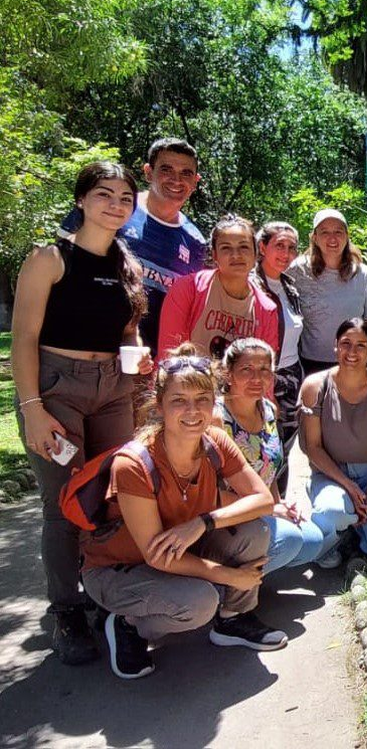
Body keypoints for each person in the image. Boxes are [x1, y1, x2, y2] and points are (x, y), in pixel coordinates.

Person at [12, 161, 153, 665]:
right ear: (81, 200)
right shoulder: (49, 259)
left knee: (113, 495)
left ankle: (105, 601)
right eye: (103, 194)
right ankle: (66, 612)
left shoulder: (126, 265)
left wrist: (140, 381)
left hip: (113, 388)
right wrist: (32, 410)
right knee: (64, 503)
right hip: (56, 387)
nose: (115, 205)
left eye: (124, 197)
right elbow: (24, 340)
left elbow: (129, 334)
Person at [81, 346, 287, 680]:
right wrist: (229, 576)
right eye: (179, 400)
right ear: (159, 406)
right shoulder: (133, 464)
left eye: (202, 398)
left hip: (180, 546)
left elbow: (262, 500)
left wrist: (203, 522)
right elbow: (157, 556)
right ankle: (128, 623)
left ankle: (234, 620)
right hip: (119, 569)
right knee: (199, 602)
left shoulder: (215, 441)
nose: (193, 411)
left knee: (254, 532)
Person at [62, 137, 206, 348]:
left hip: (152, 360)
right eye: (166, 169)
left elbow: (188, 307)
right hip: (88, 348)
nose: (176, 180)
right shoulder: (113, 207)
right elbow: (61, 264)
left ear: (195, 181)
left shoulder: (196, 241)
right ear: (148, 172)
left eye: (186, 173)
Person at [300, 318, 367, 566]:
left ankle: (352, 529)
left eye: (361, 345)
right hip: (332, 474)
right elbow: (313, 447)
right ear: (335, 347)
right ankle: (334, 517)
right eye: (346, 343)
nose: (352, 352)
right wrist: (348, 485)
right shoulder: (315, 387)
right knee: (333, 512)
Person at [215, 338, 326, 574]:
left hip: (260, 509)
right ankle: (226, 588)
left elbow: (268, 466)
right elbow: (209, 491)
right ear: (229, 374)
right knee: (289, 540)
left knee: (313, 541)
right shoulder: (216, 418)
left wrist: (277, 503)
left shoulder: (268, 409)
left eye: (264, 369)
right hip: (223, 517)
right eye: (247, 369)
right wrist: (268, 509)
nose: (257, 378)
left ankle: (254, 580)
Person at [157, 214, 280, 362]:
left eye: (244, 247)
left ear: (255, 254)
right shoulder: (188, 289)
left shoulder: (267, 310)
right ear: (215, 255)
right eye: (226, 248)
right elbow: (169, 357)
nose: (236, 255)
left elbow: (264, 369)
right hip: (189, 382)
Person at [289, 208, 367, 376]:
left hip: (354, 363)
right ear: (314, 238)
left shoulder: (363, 274)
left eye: (338, 231)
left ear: (347, 236)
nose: (332, 238)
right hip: (310, 364)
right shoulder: (298, 271)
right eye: (324, 232)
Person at [253, 221, 305, 493]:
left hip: (291, 378)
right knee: (263, 447)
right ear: (262, 247)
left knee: (283, 448)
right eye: (279, 246)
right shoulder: (250, 285)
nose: (286, 253)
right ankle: (261, 509)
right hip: (262, 379)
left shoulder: (290, 287)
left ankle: (279, 503)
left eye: (291, 248)